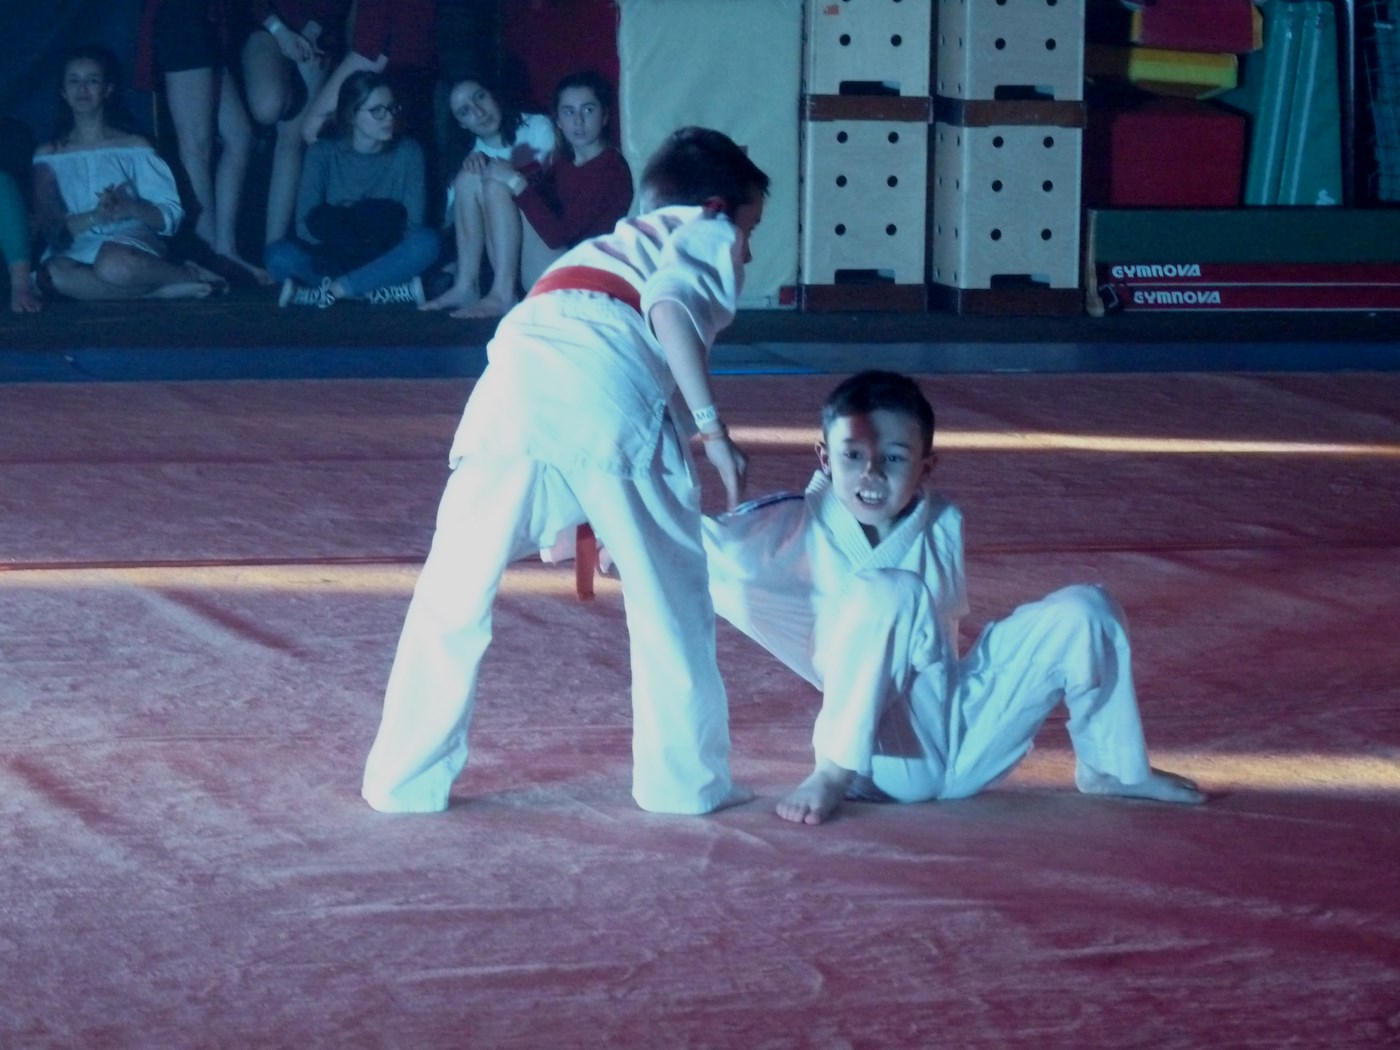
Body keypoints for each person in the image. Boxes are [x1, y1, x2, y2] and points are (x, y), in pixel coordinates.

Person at [361, 127, 769, 817]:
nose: (747, 250)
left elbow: (601, 381)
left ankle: (401, 781)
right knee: (670, 600)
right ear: (718, 206)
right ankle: (684, 783)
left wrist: (591, 515)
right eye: (750, 229)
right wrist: (714, 431)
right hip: (602, 379)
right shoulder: (704, 228)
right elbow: (668, 308)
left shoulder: (604, 247)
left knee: (451, 594)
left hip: (514, 385)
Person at [702, 371, 1207, 826]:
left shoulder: (941, 519)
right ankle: (831, 772)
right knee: (890, 588)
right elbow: (687, 545)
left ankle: (1111, 768)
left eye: (893, 458)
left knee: (1087, 610)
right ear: (824, 457)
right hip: (883, 757)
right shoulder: (787, 526)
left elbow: (936, 652)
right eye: (852, 455)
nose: (871, 473)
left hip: (961, 734)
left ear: (927, 466)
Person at [32, 46, 224, 301]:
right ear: (64, 92)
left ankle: (186, 274)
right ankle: (156, 292)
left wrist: (129, 208)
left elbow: (169, 215)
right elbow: (50, 226)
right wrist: (96, 216)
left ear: (107, 90)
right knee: (52, 276)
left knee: (113, 265)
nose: (83, 89)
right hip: (78, 242)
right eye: (74, 81)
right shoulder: (49, 154)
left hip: (128, 240)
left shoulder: (134, 146)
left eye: (92, 81)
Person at [266, 71, 437, 307]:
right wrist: (349, 242)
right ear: (352, 116)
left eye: (392, 108)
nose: (389, 117)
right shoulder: (323, 153)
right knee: (278, 256)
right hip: (333, 254)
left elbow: (413, 225)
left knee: (427, 243)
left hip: (384, 252)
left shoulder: (408, 152)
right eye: (377, 111)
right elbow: (305, 226)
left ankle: (333, 291)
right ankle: (376, 289)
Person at [134, 0, 269, 285]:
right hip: (184, 16)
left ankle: (224, 248)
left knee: (239, 137)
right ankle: (207, 255)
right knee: (196, 145)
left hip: (210, 19)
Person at [420, 73, 558, 318]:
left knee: (494, 182)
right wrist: (470, 172)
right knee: (469, 177)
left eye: (480, 97)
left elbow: (552, 193)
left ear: (494, 94)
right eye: (465, 111)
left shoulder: (538, 127)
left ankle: (504, 295)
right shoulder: (470, 154)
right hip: (502, 261)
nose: (479, 112)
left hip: (545, 253)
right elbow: (452, 222)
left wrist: (503, 172)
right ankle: (466, 285)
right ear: (461, 123)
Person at [242, 0, 350, 250]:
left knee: (293, 141)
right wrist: (278, 30)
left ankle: (274, 246)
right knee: (267, 106)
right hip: (267, 23)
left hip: (318, 33)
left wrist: (314, 29)